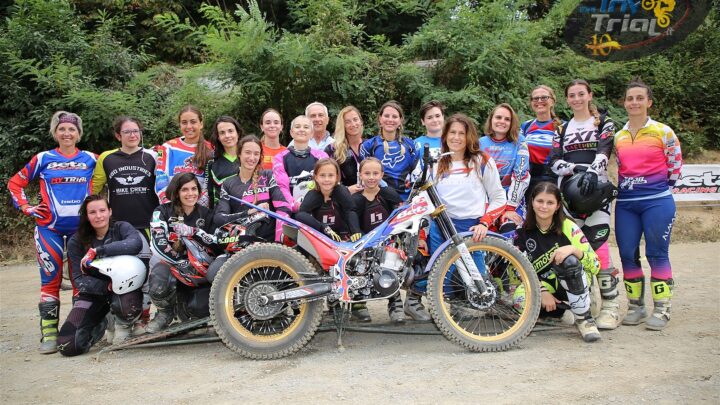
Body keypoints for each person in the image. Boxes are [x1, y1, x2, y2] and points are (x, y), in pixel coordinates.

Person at [8, 111, 96, 354]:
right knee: (51, 280)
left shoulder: (90, 159)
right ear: (55, 132)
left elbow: (111, 173)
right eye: (62, 129)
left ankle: (77, 330)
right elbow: (15, 183)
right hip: (49, 229)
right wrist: (26, 207)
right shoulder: (42, 158)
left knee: (81, 281)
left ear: (79, 134)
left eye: (72, 130)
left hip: (82, 230)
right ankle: (48, 333)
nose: (67, 134)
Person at [548, 79, 621, 330]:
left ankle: (611, 306)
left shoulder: (603, 121)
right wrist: (578, 169)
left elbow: (605, 150)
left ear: (589, 95)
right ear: (567, 99)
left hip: (596, 193)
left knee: (599, 247)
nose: (577, 98)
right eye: (572, 95)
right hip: (569, 194)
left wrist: (592, 171)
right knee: (574, 247)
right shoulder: (562, 127)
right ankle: (584, 302)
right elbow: (554, 161)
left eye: (581, 94)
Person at [614, 79, 682, 330]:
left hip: (657, 201)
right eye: (630, 98)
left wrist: (658, 189)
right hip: (626, 204)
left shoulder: (663, 131)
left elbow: (675, 165)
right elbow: (620, 167)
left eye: (639, 98)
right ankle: (636, 307)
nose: (634, 102)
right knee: (627, 254)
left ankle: (662, 309)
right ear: (624, 103)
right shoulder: (618, 136)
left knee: (656, 253)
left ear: (649, 102)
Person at [425, 114, 507, 322]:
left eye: (462, 133)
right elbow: (423, 193)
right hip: (442, 226)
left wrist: (484, 222)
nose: (457, 137)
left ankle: (464, 306)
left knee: (476, 282)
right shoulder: (435, 160)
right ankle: (444, 311)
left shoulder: (481, 161)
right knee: (440, 276)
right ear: (445, 135)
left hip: (472, 228)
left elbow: (499, 197)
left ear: (469, 136)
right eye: (452, 132)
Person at [57, 195, 146, 355]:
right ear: (86, 215)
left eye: (102, 210)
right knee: (67, 345)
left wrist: (98, 251)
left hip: (124, 291)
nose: (98, 216)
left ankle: (123, 324)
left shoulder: (122, 227)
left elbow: (135, 244)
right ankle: (100, 323)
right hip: (93, 293)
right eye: (92, 212)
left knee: (123, 297)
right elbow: (78, 279)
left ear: (110, 211)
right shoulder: (76, 241)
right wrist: (106, 286)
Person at [92, 115, 157, 330]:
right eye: (127, 131)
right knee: (122, 274)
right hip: (119, 226)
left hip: (148, 224)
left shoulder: (151, 157)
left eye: (136, 131)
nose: (132, 135)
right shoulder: (107, 158)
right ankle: (121, 319)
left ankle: (143, 318)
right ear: (118, 135)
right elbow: (94, 189)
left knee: (147, 273)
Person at [513, 182, 601, 342]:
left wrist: (574, 250)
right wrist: (541, 292)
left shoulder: (569, 226)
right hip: (545, 284)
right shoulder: (522, 231)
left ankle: (585, 318)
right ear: (532, 202)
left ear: (557, 205)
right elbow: (518, 270)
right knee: (519, 298)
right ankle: (559, 312)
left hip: (573, 280)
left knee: (569, 262)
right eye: (540, 201)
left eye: (550, 202)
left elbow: (596, 265)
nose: (544, 207)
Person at [208, 135, 293, 282]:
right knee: (213, 275)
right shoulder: (228, 183)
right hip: (239, 245)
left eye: (256, 154)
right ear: (239, 154)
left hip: (268, 243)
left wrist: (279, 243)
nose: (252, 157)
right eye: (248, 152)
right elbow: (219, 218)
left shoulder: (267, 175)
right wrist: (249, 212)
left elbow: (283, 207)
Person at [146, 173, 216, 333]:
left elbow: (215, 243)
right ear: (176, 192)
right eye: (185, 189)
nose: (190, 193)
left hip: (198, 270)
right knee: (159, 278)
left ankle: (191, 315)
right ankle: (165, 313)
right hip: (172, 265)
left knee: (200, 307)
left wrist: (197, 233)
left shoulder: (206, 213)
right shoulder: (161, 211)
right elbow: (157, 244)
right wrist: (179, 263)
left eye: (194, 189)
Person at [351, 158, 406, 322]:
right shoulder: (357, 199)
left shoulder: (388, 193)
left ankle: (395, 302)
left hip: (387, 241)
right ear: (360, 175)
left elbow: (399, 215)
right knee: (359, 267)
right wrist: (358, 236)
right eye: (367, 173)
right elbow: (352, 219)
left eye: (376, 173)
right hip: (365, 242)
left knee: (391, 267)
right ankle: (359, 303)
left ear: (382, 174)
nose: (371, 177)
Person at [479, 103, 530, 232]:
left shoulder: (520, 141)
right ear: (491, 120)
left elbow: (521, 175)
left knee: (510, 229)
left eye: (507, 119)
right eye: (498, 117)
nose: (502, 121)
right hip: (486, 199)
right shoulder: (479, 143)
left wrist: (510, 207)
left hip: (511, 199)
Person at [155, 105, 214, 207]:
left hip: (201, 210)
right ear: (180, 125)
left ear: (201, 124)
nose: (189, 126)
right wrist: (170, 206)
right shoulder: (167, 147)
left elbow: (211, 185)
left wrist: (197, 208)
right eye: (184, 122)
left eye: (193, 122)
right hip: (173, 209)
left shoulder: (212, 150)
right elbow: (160, 180)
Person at [360, 101, 419, 200]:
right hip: (378, 199)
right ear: (380, 118)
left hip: (407, 200)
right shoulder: (368, 146)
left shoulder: (411, 145)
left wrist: (413, 196)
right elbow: (363, 174)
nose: (390, 120)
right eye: (386, 116)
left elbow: (417, 173)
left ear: (400, 120)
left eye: (394, 117)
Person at [295, 158, 362, 242]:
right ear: (316, 177)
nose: (326, 179)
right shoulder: (312, 194)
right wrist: (323, 228)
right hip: (322, 236)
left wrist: (355, 230)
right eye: (322, 175)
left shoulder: (341, 191)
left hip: (344, 236)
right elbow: (300, 214)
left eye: (330, 175)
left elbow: (351, 210)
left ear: (337, 176)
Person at [273, 115, 329, 212]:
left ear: (311, 133)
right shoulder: (279, 158)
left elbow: (327, 183)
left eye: (306, 127)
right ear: (291, 132)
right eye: (297, 127)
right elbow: (281, 186)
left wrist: (309, 204)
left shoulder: (321, 156)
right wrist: (295, 205)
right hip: (289, 208)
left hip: (316, 207)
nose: (301, 130)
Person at [520, 85, 564, 203]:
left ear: (552, 101)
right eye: (535, 98)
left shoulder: (562, 127)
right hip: (529, 180)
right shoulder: (526, 126)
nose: (539, 101)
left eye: (544, 97)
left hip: (553, 180)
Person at [324, 106, 365, 193]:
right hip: (346, 199)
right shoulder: (332, 149)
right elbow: (326, 179)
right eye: (347, 122)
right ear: (342, 125)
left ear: (361, 121)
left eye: (355, 119)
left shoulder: (371, 145)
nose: (353, 124)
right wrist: (346, 190)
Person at [207, 116, 243, 208]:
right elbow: (212, 196)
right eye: (222, 133)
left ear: (238, 133)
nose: (227, 136)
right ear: (218, 137)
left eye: (230, 131)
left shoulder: (250, 156)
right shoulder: (212, 162)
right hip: (225, 216)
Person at [412, 100, 445, 179]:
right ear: (423, 121)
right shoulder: (416, 144)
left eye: (437, 116)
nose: (435, 120)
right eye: (429, 117)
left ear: (443, 117)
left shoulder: (453, 141)